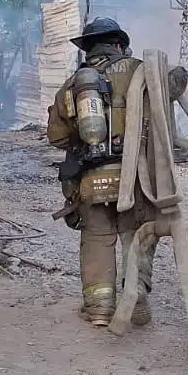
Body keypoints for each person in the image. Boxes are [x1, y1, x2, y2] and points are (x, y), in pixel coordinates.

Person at [46, 17, 161, 328]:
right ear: (120, 45)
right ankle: (135, 299)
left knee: (98, 238)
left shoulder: (74, 85)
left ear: (88, 50)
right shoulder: (144, 71)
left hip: (92, 179)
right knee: (135, 235)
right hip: (138, 179)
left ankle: (99, 308)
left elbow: (56, 138)